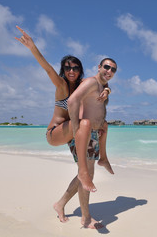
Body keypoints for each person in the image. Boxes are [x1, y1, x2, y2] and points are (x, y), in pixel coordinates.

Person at [15, 26, 114, 225]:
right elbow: (47, 68)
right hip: (56, 133)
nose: (71, 71)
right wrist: (32, 47)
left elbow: (100, 83)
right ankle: (86, 214)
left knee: (90, 165)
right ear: (64, 69)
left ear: (80, 70)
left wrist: (107, 91)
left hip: (77, 131)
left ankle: (61, 204)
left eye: (75, 68)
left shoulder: (83, 85)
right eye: (68, 67)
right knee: (85, 157)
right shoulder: (61, 85)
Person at [63, 57, 117, 228]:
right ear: (99, 67)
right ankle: (86, 218)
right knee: (87, 175)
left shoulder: (102, 86)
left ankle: (59, 204)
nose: (109, 71)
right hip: (83, 134)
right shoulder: (92, 82)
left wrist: (107, 91)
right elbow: (72, 101)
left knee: (85, 175)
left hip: (93, 133)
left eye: (113, 70)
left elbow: (103, 90)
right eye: (107, 67)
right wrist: (77, 129)